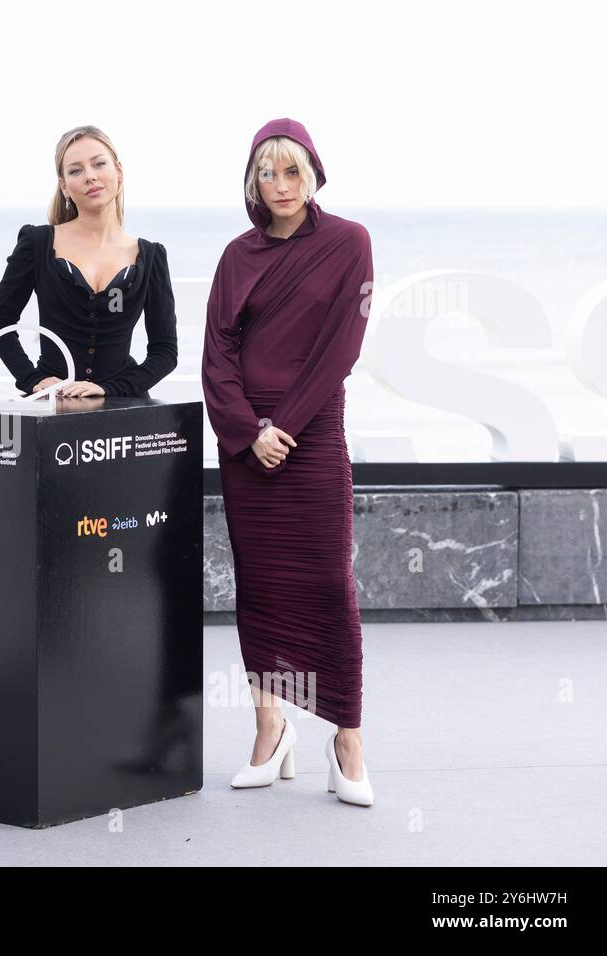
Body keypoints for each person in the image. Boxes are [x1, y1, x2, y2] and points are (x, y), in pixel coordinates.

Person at [200, 118, 375, 807]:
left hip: (311, 436)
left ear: (313, 175)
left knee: (331, 583)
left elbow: (343, 346)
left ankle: (346, 737)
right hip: (247, 447)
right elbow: (216, 357)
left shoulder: (348, 243)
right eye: (266, 173)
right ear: (252, 181)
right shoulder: (236, 255)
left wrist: (285, 428)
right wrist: (247, 433)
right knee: (262, 587)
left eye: (291, 171)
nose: (279, 185)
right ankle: (270, 730)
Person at [0, 125, 177, 399]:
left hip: (122, 409)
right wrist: (33, 379)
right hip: (53, 405)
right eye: (76, 170)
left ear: (119, 171)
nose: (90, 176)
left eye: (99, 164)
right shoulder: (37, 242)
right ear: (64, 185)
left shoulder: (151, 256)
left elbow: (165, 351)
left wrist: (108, 389)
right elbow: (1, 323)